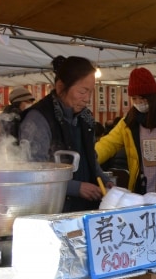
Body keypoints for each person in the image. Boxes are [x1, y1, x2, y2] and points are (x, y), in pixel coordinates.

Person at [19, 56, 110, 212]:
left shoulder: (85, 117)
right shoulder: (39, 119)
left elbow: (90, 158)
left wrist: (104, 179)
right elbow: (32, 170)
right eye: (82, 91)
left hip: (85, 208)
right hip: (53, 209)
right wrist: (75, 187)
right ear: (60, 87)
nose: (87, 99)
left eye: (91, 92)